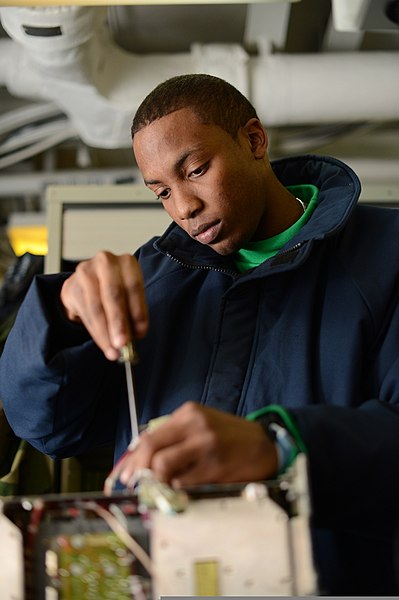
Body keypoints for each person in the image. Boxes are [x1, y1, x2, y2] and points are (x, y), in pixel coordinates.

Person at [1, 73, 399, 595]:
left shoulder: (385, 256)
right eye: (162, 191)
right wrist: (61, 320)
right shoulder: (153, 277)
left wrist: (279, 446)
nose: (183, 207)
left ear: (254, 141)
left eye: (196, 170)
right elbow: (48, 426)